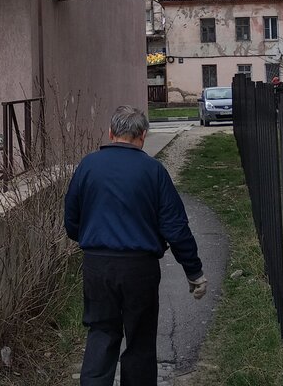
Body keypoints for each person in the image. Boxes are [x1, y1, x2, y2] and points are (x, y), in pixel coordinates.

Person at [64, 105, 206, 386]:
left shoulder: (88, 166)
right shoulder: (153, 171)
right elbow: (175, 227)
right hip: (140, 267)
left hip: (97, 265)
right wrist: (194, 271)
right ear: (142, 135)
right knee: (140, 340)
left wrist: (92, 240)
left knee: (101, 332)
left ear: (110, 133)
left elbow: (72, 220)